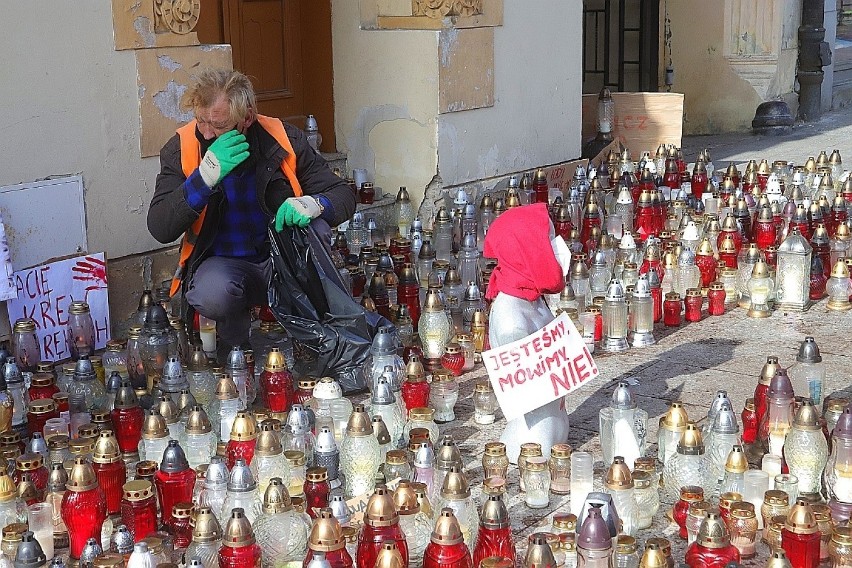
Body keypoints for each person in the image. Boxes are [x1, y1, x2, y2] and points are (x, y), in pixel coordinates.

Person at [148, 69, 355, 357]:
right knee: (212, 292)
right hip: (223, 265)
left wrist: (314, 203)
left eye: (218, 125)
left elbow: (343, 194)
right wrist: (203, 178)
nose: (207, 133)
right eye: (201, 120)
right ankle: (233, 345)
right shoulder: (182, 147)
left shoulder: (282, 138)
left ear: (246, 117)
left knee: (316, 230)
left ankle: (308, 333)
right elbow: (159, 226)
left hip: (280, 259)